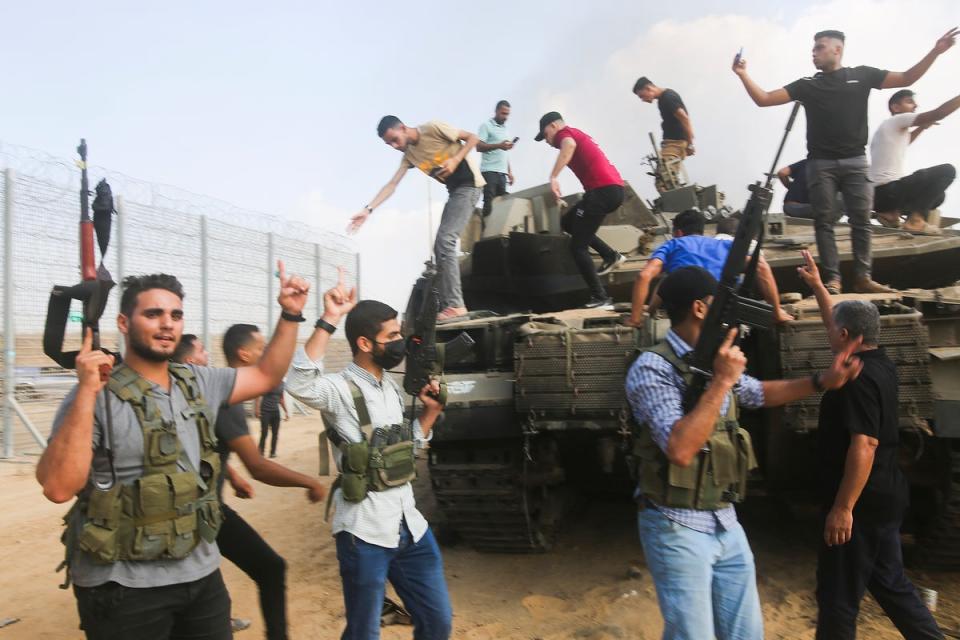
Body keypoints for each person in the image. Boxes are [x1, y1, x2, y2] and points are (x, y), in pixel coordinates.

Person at [36, 265, 310, 640]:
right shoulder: (93, 395)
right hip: (123, 587)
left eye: (175, 315)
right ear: (123, 322)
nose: (167, 324)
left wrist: (291, 313)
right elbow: (57, 487)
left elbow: (266, 375)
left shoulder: (198, 381)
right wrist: (86, 392)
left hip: (200, 575)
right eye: (153, 314)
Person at [625, 265, 863, 640]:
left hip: (724, 521)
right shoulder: (653, 368)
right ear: (700, 308)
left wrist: (821, 382)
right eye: (723, 304)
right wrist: (721, 381)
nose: (731, 315)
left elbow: (761, 392)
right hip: (676, 524)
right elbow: (680, 449)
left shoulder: (715, 359)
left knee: (746, 634)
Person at [285, 269, 452, 640]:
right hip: (365, 532)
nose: (399, 343)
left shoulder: (390, 388)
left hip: (410, 526)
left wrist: (430, 414)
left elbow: (406, 449)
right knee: (363, 632)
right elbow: (298, 383)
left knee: (438, 621)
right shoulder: (339, 389)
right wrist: (330, 318)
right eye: (391, 337)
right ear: (364, 343)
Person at [733, 27, 959, 295]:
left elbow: (908, 76)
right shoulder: (808, 84)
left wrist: (935, 51)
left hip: (855, 161)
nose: (814, 53)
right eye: (813, 48)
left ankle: (863, 277)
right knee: (824, 222)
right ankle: (833, 280)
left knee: (861, 221)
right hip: (821, 164)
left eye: (819, 47)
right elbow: (765, 99)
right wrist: (743, 74)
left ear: (837, 50)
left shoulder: (862, 76)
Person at [795, 250, 943, 639]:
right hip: (886, 494)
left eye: (834, 330)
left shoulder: (856, 379)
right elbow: (840, 326)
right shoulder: (879, 360)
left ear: (846, 336)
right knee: (891, 584)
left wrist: (843, 509)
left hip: (860, 501)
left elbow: (866, 443)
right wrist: (817, 288)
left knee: (838, 598)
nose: (830, 333)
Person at [348, 115, 484, 322]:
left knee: (445, 240)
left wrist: (456, 160)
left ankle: (456, 305)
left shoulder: (433, 128)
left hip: (470, 185)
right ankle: (450, 303)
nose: (394, 146)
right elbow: (392, 184)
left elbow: (473, 137)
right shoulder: (409, 155)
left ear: (403, 128)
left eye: (395, 139)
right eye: (389, 144)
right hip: (455, 191)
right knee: (440, 247)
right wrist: (368, 210)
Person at [628, 209, 793, 325]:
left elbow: (644, 276)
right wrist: (776, 312)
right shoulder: (723, 245)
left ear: (678, 233)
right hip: (719, 312)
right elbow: (760, 267)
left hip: (683, 315)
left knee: (666, 279)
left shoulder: (673, 244)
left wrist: (637, 318)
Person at [535, 111, 627, 308]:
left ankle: (600, 297)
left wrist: (553, 177)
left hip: (602, 191)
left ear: (553, 126)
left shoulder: (564, 134)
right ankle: (611, 255)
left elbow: (569, 146)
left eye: (545, 135)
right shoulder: (576, 132)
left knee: (577, 247)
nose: (547, 141)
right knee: (568, 222)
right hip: (611, 190)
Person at [871, 89, 959, 234]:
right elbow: (939, 113)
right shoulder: (896, 120)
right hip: (887, 191)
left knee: (938, 196)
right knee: (948, 171)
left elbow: (906, 142)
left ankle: (889, 213)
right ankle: (915, 221)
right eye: (909, 101)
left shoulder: (890, 130)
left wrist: (922, 128)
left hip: (881, 198)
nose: (915, 105)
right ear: (896, 108)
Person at [633, 77, 694, 193]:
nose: (643, 100)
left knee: (664, 182)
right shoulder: (663, 99)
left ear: (648, 88)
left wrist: (690, 143)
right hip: (672, 144)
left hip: (675, 143)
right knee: (666, 180)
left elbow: (684, 118)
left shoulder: (667, 98)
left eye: (642, 96)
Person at [477, 100, 516, 217]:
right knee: (489, 204)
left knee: (502, 205)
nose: (505, 117)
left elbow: (504, 153)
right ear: (496, 111)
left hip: (502, 174)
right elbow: (478, 146)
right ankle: (485, 233)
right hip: (489, 172)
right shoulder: (486, 126)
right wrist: (499, 145)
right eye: (503, 113)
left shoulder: (505, 129)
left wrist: (509, 172)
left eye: (507, 114)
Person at [255, 380, 288, 458]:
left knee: (275, 433)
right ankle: (260, 452)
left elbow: (281, 399)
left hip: (275, 412)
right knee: (264, 433)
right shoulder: (268, 381)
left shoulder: (282, 384)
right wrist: (257, 409)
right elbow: (258, 395)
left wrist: (286, 411)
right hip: (265, 411)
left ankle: (273, 452)